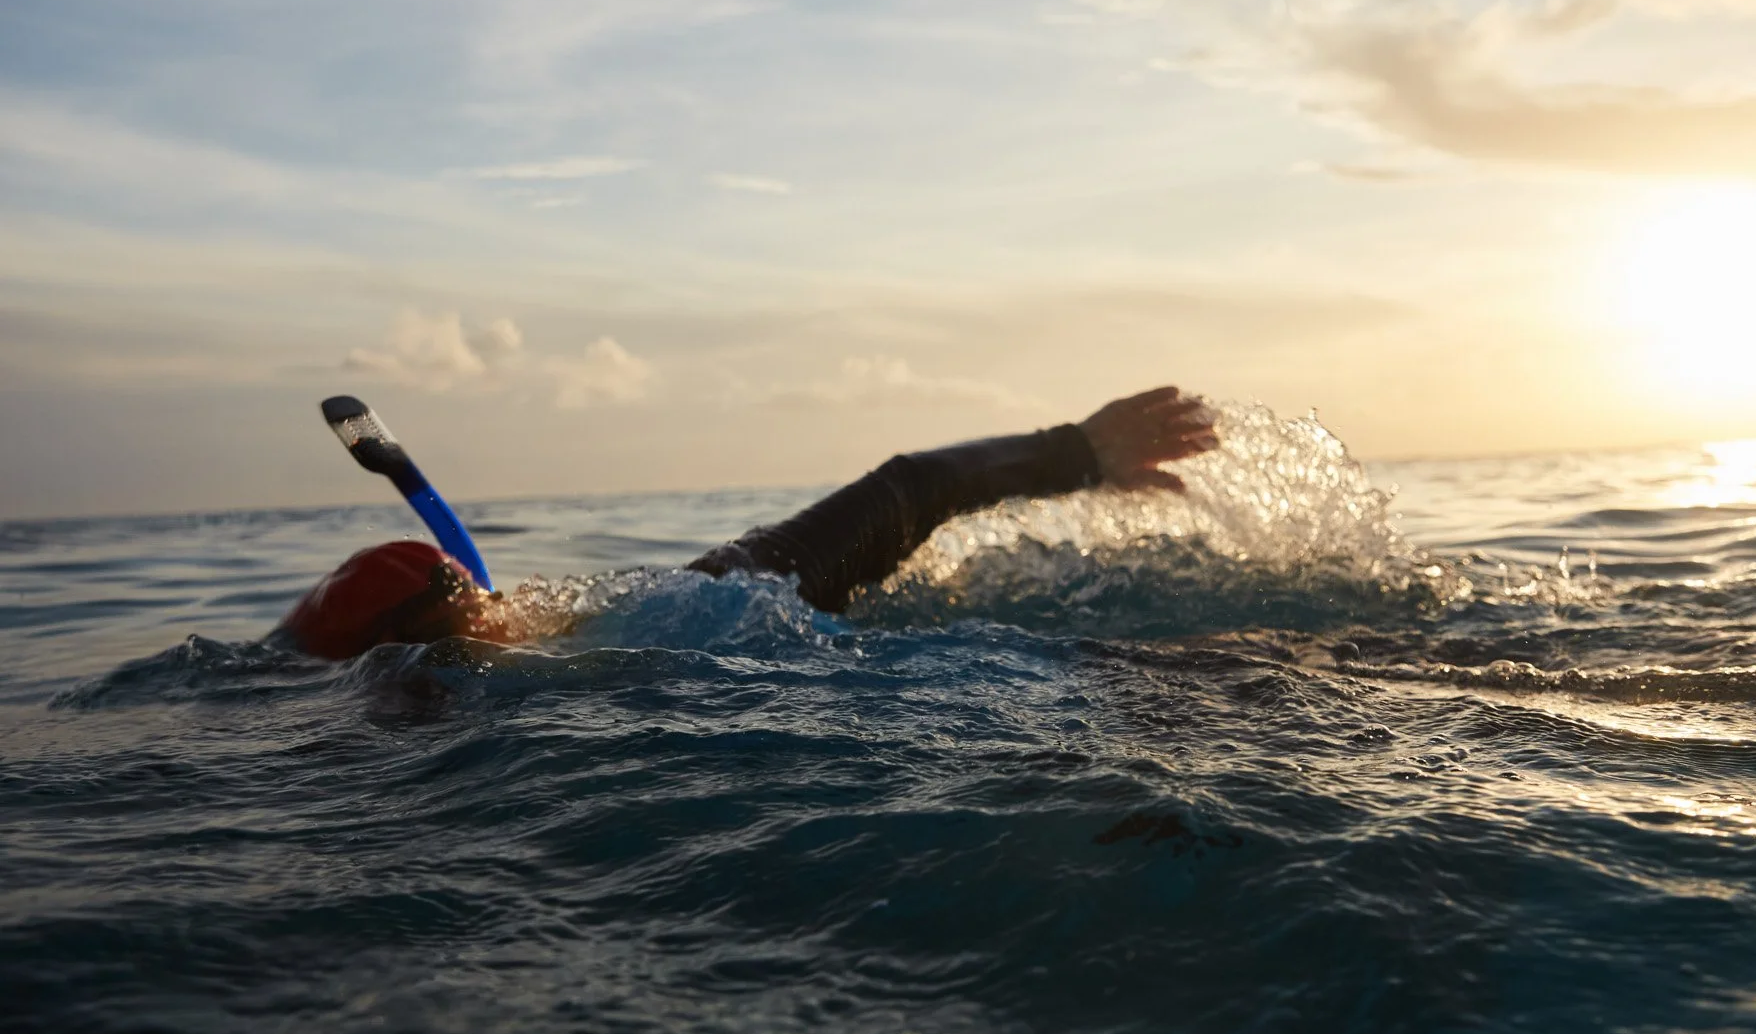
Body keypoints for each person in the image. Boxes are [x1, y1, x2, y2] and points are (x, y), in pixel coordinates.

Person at [276, 386, 1217, 660]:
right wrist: (1074, 453)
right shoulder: (680, 614)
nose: (494, 607)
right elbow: (907, 489)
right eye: (462, 600)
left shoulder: (673, 611)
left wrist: (1072, 454)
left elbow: (905, 493)